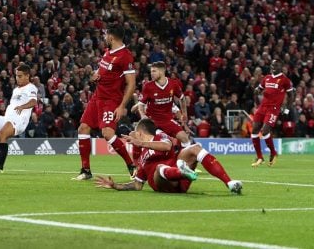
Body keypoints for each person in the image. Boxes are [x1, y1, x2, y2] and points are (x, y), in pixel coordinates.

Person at [95, 118, 242, 194]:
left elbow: (167, 146)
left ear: (140, 133)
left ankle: (230, 183)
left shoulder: (159, 136)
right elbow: (137, 185)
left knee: (195, 148)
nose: (132, 136)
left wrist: (141, 144)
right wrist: (115, 186)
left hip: (180, 182)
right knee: (160, 167)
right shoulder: (140, 156)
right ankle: (182, 171)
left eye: (134, 132)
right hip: (163, 184)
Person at [73, 24, 136, 180]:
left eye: (106, 35)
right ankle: (85, 170)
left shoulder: (125, 56)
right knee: (83, 128)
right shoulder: (107, 53)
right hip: (97, 97)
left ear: (111, 37)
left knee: (107, 133)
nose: (104, 38)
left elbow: (131, 83)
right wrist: (96, 75)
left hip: (111, 100)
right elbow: (103, 72)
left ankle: (131, 166)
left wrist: (121, 106)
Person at [251, 59, 295, 167]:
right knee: (254, 129)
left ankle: (273, 152)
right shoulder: (266, 78)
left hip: (273, 109)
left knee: (265, 130)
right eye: (272, 65)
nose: (274, 66)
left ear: (281, 66)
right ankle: (260, 157)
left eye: (276, 65)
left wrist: (287, 110)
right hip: (262, 107)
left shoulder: (285, 80)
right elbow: (258, 90)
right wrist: (256, 92)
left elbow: (291, 96)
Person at [137, 61, 190, 147]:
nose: (151, 74)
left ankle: (182, 159)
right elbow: (141, 104)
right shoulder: (148, 86)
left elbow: (182, 98)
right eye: (151, 71)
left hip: (167, 120)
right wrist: (143, 115)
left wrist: (184, 114)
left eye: (154, 71)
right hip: (152, 121)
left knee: (184, 138)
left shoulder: (173, 84)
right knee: (161, 143)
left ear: (162, 71)